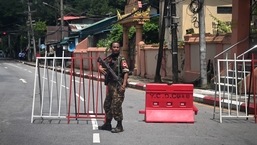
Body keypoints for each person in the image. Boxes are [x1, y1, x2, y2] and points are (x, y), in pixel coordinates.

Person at [98, 42, 129, 133]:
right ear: (111, 48)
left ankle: (119, 126)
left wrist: (123, 85)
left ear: (119, 48)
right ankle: (108, 124)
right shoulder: (109, 58)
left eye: (117, 47)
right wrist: (100, 68)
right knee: (107, 105)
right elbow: (101, 64)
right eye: (114, 47)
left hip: (118, 86)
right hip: (110, 86)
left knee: (116, 106)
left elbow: (126, 72)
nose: (116, 48)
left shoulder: (121, 59)